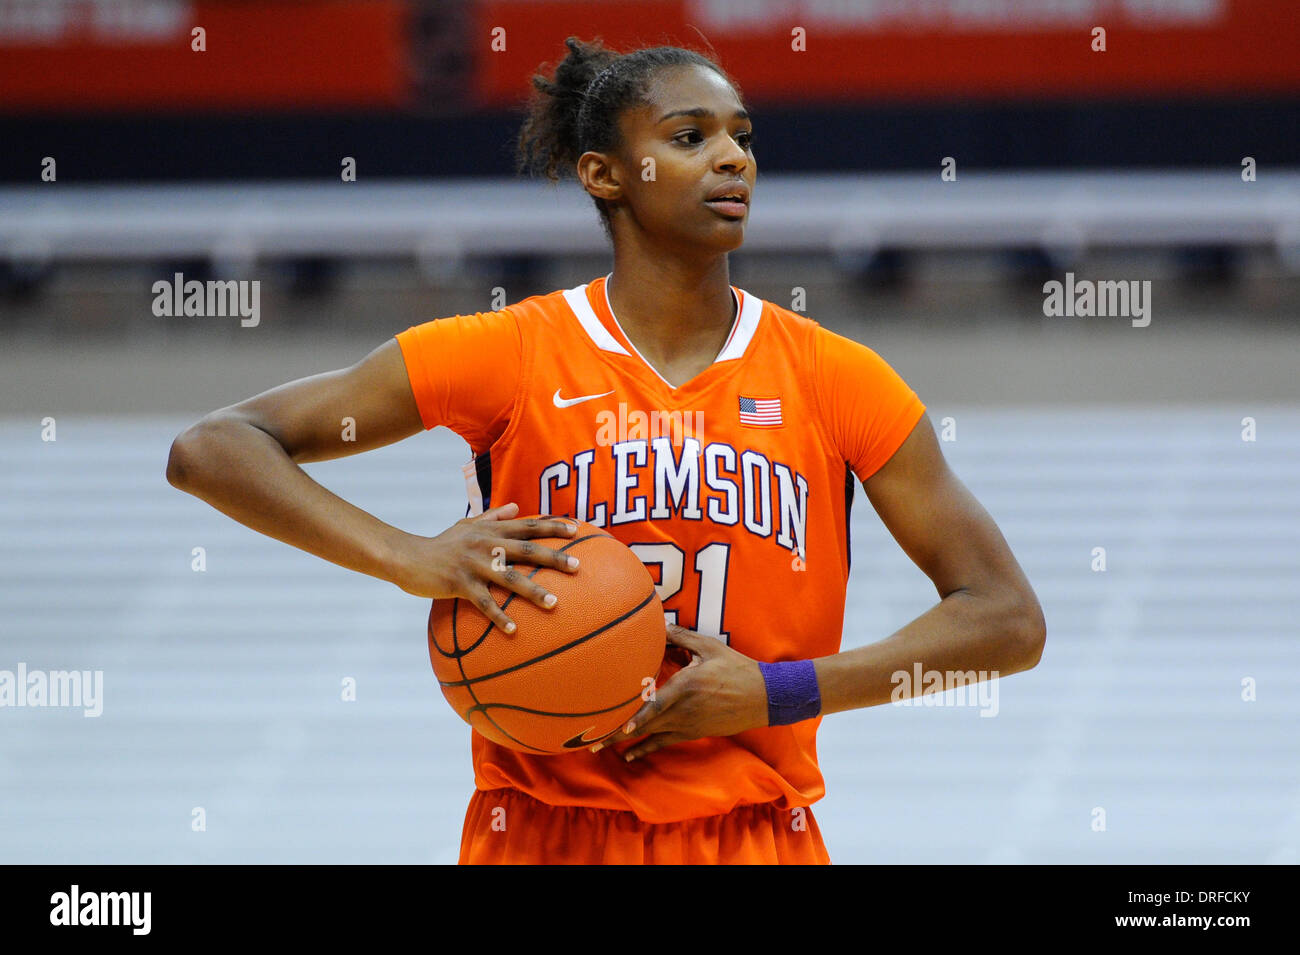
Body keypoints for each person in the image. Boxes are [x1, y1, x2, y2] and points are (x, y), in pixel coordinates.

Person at [166, 36, 1045, 864]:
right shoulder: (508, 353)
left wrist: (782, 692)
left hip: (749, 834)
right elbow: (214, 446)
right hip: (539, 828)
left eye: (742, 137)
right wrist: (410, 556)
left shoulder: (836, 378)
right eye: (690, 137)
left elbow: (1007, 617)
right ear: (606, 173)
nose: (733, 158)